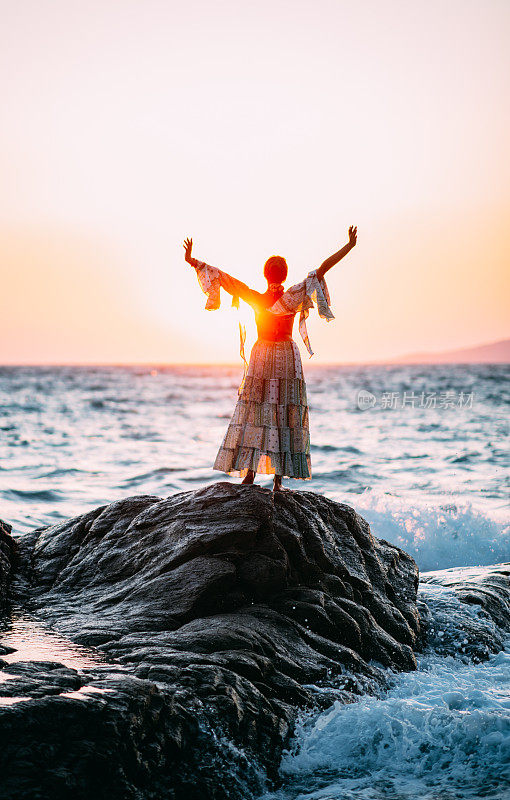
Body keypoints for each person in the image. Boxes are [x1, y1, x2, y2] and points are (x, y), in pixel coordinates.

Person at [183, 226, 357, 491]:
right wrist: (349, 246)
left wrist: (192, 261)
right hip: (287, 354)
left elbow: (222, 277)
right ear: (284, 275)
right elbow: (323, 269)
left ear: (265, 275)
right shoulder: (294, 295)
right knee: (285, 412)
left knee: (255, 410)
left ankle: (250, 474)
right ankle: (278, 481)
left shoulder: (256, 297)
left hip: (262, 354)